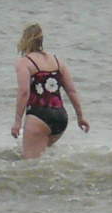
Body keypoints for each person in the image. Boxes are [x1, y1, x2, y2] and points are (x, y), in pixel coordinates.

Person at [12, 23, 88, 158]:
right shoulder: (57, 61)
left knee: (30, 164)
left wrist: (17, 121)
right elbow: (71, 91)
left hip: (38, 115)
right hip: (60, 117)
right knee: (44, 157)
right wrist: (80, 117)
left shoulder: (24, 62)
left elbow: (24, 92)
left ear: (24, 40)